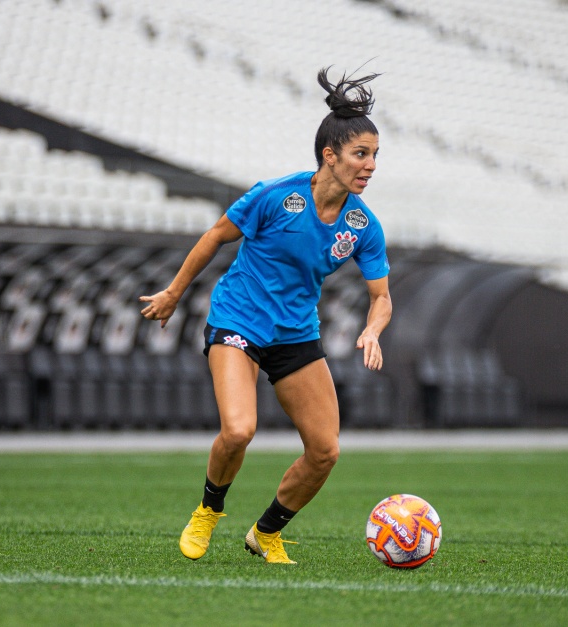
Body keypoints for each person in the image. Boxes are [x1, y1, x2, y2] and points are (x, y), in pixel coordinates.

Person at [139, 66, 391, 565]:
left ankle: (265, 533)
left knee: (326, 451)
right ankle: (209, 511)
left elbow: (381, 296)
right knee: (238, 430)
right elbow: (215, 235)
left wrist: (372, 328)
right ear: (330, 155)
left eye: (376, 156)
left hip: (295, 333)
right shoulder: (275, 196)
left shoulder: (364, 224)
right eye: (361, 154)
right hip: (238, 320)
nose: (371, 166)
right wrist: (173, 292)